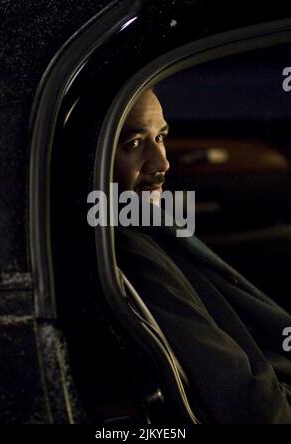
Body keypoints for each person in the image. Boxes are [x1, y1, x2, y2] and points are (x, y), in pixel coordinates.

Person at [114, 88, 291, 424]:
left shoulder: (145, 227)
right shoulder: (131, 253)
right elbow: (256, 409)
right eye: (133, 144)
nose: (162, 162)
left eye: (161, 137)